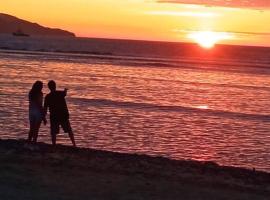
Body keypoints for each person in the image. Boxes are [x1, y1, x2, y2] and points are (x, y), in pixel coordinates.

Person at [44, 80, 76, 147]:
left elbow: (45, 108)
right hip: (62, 115)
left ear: (49, 87)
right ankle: (74, 144)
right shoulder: (60, 93)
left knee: (53, 132)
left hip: (54, 116)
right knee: (69, 130)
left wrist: (44, 118)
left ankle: (54, 145)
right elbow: (64, 93)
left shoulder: (47, 97)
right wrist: (65, 90)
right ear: (55, 86)